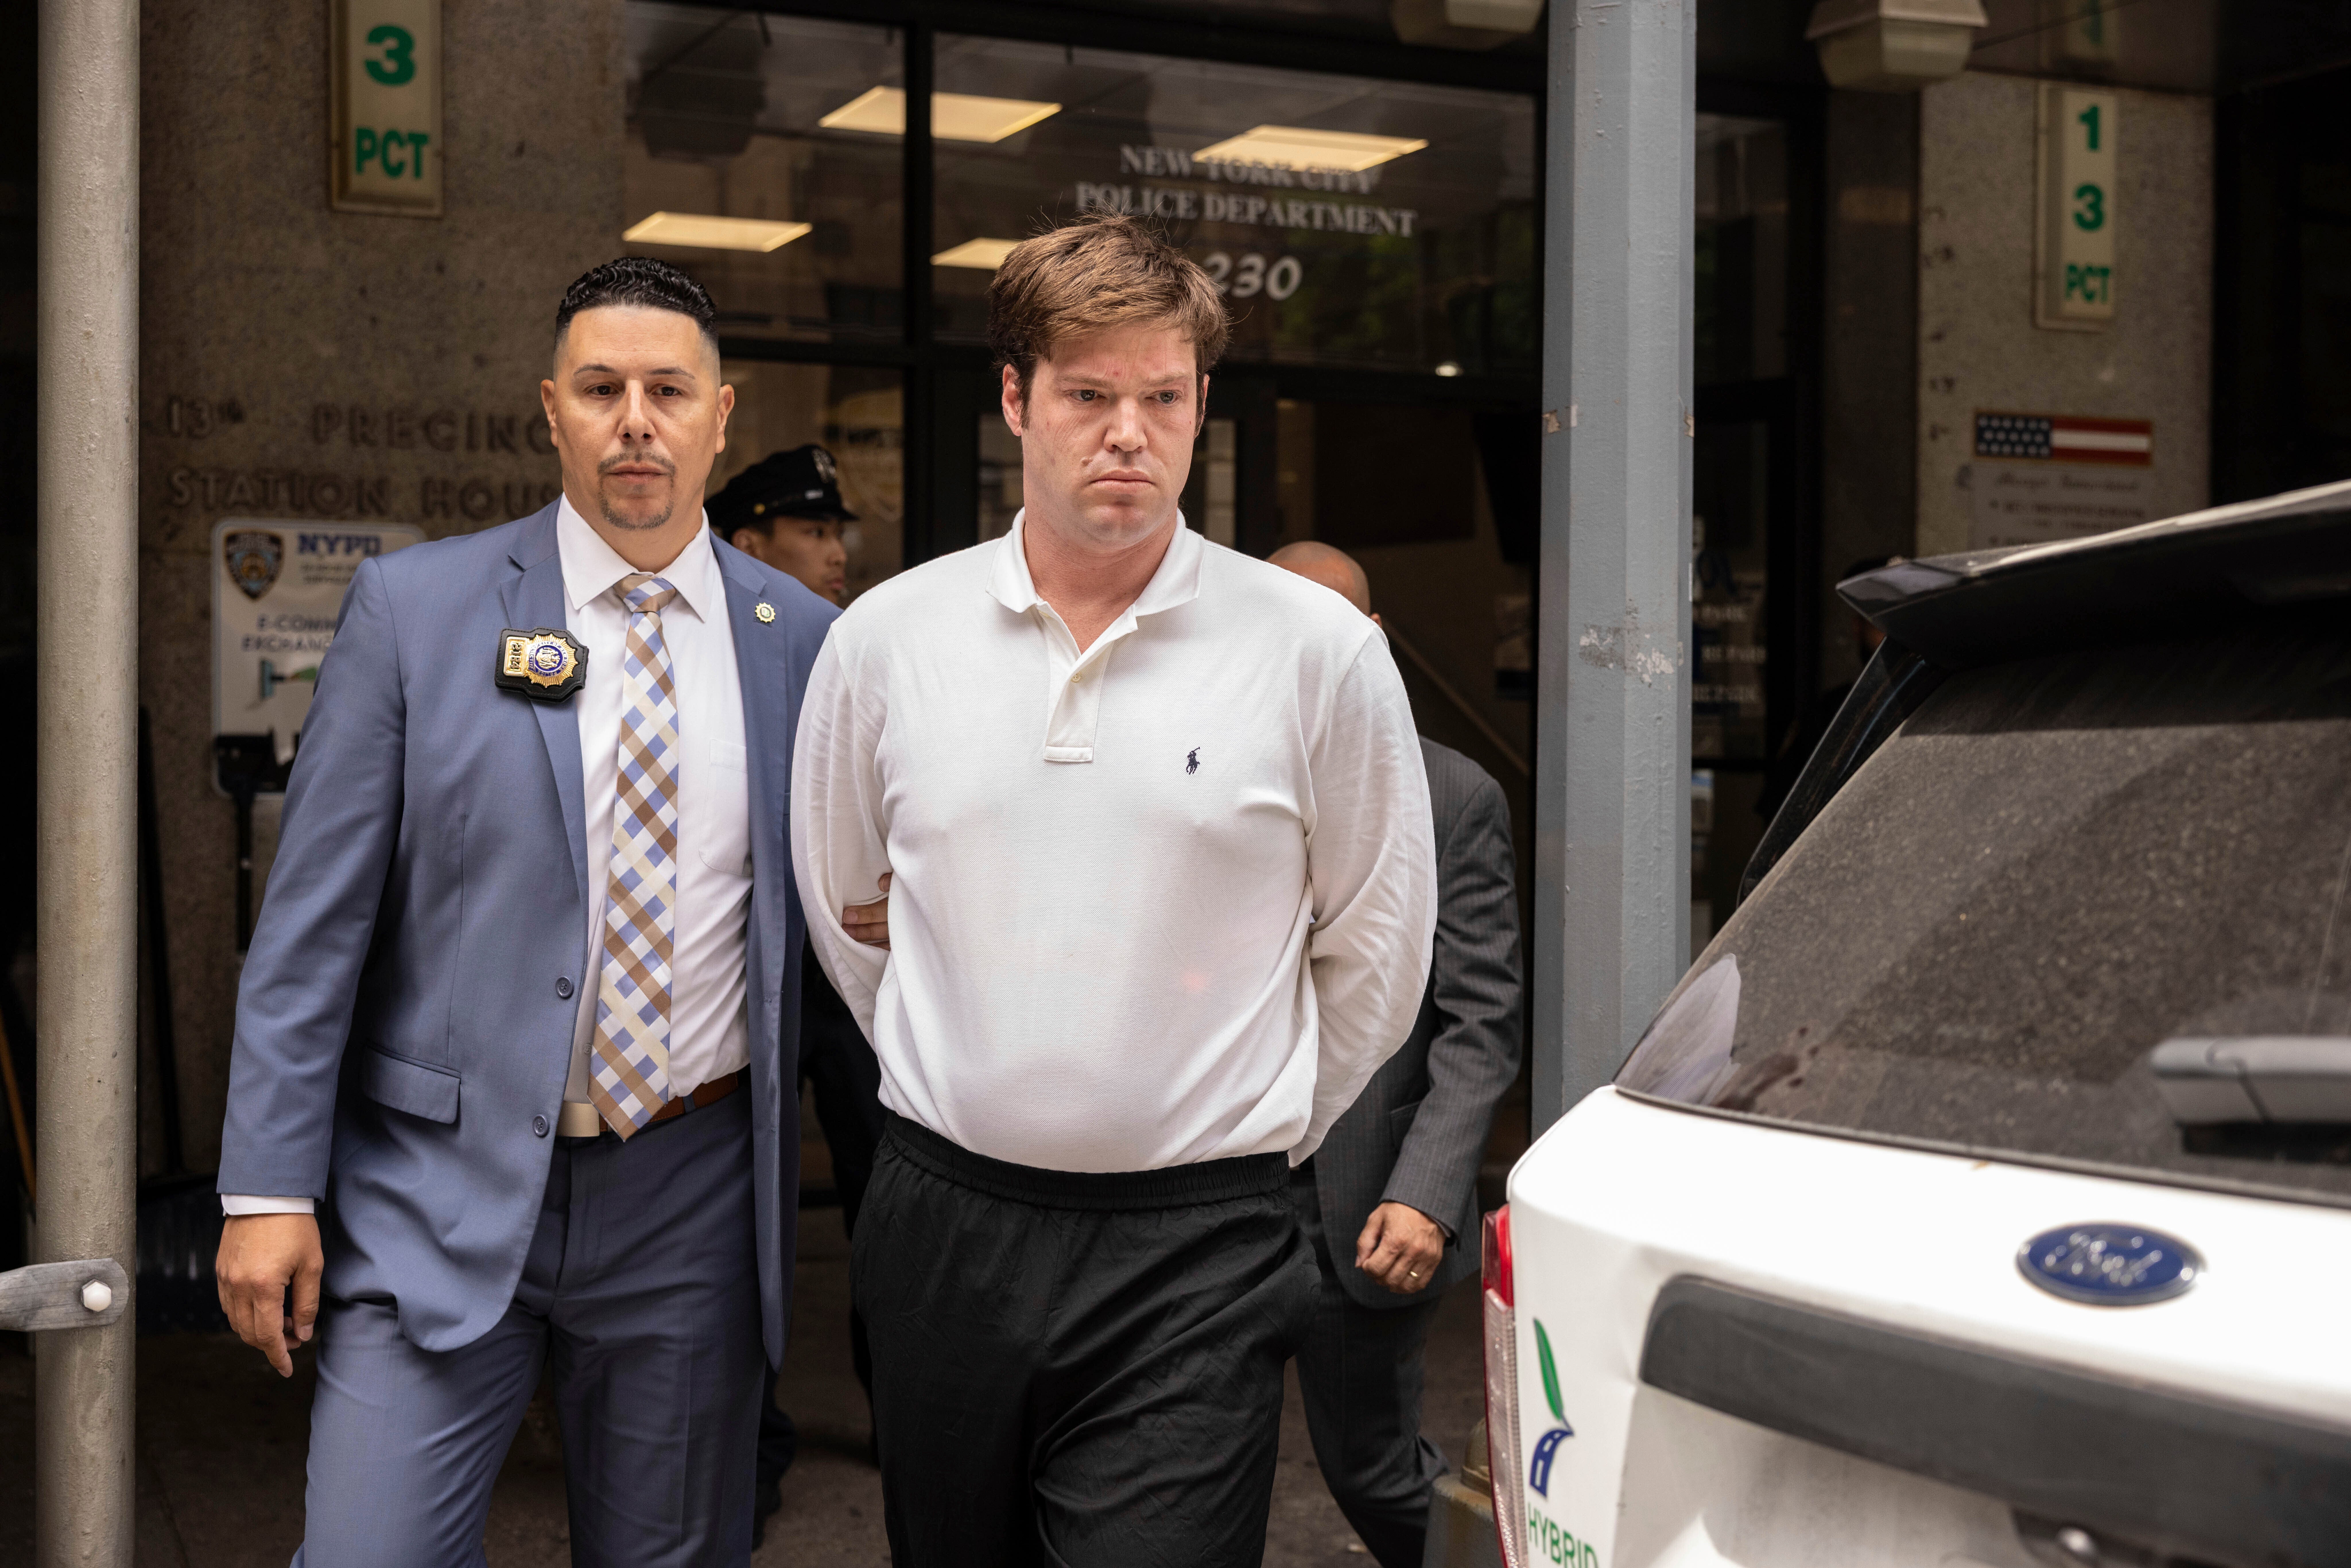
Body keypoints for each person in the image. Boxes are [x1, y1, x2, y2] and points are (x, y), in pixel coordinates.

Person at [790, 213, 1438, 1565]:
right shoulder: (884, 642)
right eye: (1088, 396)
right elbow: (847, 910)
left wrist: (1244, 1131)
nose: (1127, 434)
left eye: (1162, 397)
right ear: (1017, 398)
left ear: (1201, 403)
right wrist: (974, 1056)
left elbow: (1376, 944)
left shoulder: (1314, 651)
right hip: (942, 1224)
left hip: (1194, 1244)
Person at [212, 256, 837, 1566]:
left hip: (691, 1195)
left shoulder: (809, 642)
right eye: (601, 388)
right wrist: (266, 1186)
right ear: (549, 408)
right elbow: (311, 929)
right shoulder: (420, 611)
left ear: (722, 416)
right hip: (430, 1187)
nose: (636, 420)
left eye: (670, 390)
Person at [1269, 541, 1524, 1568]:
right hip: (1214, 1192)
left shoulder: (1454, 796)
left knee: (1374, 1466)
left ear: (1374, 642)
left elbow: (1481, 1016)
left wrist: (1426, 1190)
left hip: (1365, 1197)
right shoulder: (1201, 775)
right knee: (1197, 1469)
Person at [709, 445, 886, 1537]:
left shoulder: (856, 650)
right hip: (753, 981)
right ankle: (748, 1443)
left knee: (888, 1209)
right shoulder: (709, 653)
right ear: (750, 542)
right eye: (813, 534)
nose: (836, 555)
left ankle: (905, 1416)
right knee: (740, 1221)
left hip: (855, 982)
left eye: (837, 534)